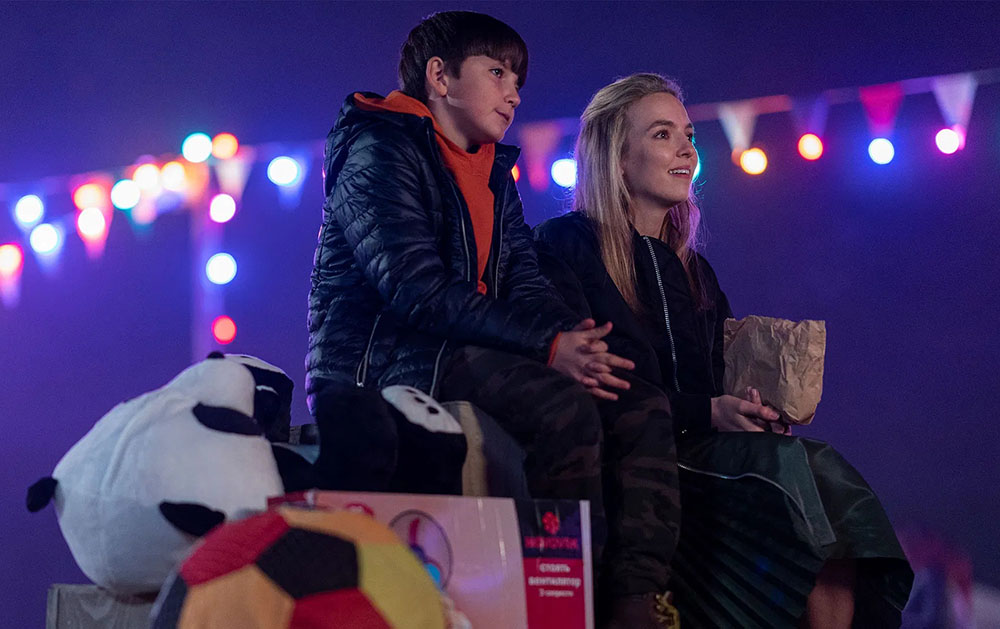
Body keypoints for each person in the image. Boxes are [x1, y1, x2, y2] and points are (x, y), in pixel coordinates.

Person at [306, 14, 681, 626]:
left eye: (518, 81)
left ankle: (635, 604)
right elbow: (415, 291)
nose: (514, 94)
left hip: (465, 345)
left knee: (636, 400)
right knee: (563, 408)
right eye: (498, 73)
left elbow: (524, 281)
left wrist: (579, 342)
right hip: (389, 358)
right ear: (440, 77)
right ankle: (565, 605)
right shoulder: (380, 148)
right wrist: (547, 344)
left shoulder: (492, 171)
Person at [535, 73, 913, 628]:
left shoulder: (695, 271)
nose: (687, 149)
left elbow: (718, 381)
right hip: (630, 457)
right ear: (617, 157)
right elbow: (588, 381)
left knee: (827, 481)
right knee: (797, 479)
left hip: (707, 448)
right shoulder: (564, 246)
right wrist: (707, 412)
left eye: (688, 135)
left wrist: (751, 408)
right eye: (662, 134)